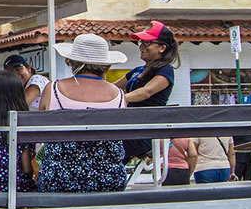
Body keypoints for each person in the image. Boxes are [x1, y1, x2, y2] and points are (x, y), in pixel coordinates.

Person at [37, 34, 128, 193]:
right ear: (106, 65)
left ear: (71, 61)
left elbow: (40, 132)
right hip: (109, 179)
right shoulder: (119, 95)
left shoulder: (53, 89)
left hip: (59, 179)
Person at [117, 20, 180, 162]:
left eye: (147, 43)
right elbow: (113, 87)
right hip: (128, 127)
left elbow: (146, 92)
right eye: (141, 43)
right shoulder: (138, 70)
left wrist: (119, 99)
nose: (142, 47)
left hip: (143, 130)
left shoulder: (165, 70)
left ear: (162, 48)